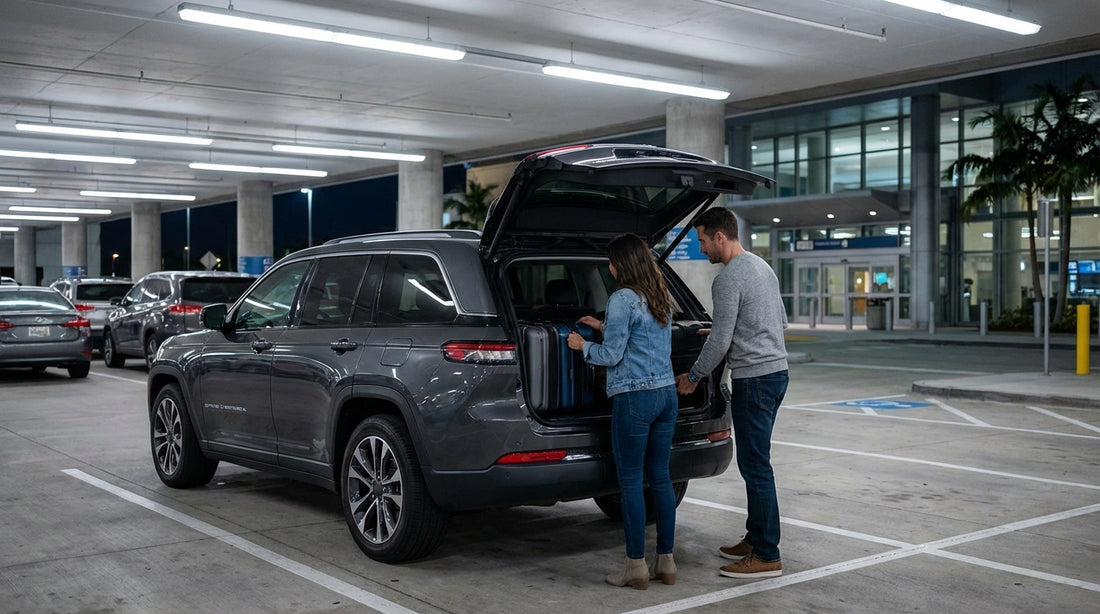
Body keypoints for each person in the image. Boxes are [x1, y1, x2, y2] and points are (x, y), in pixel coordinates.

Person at [675, 207, 789, 579]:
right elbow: (779, 320)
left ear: (720, 237)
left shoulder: (726, 280)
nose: (702, 248)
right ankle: (755, 538)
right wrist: (731, 332)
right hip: (776, 374)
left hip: (753, 379)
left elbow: (722, 340)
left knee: (756, 467)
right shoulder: (762, 267)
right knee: (758, 462)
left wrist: (693, 376)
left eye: (703, 240)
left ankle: (767, 553)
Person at [566, 233, 678, 590]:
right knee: (660, 478)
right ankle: (666, 561)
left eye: (611, 262)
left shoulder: (621, 298)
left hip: (635, 399)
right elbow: (640, 336)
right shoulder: (659, 295)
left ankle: (635, 566)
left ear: (621, 265)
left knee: (630, 481)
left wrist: (583, 345)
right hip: (666, 396)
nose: (609, 267)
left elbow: (611, 356)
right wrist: (604, 327)